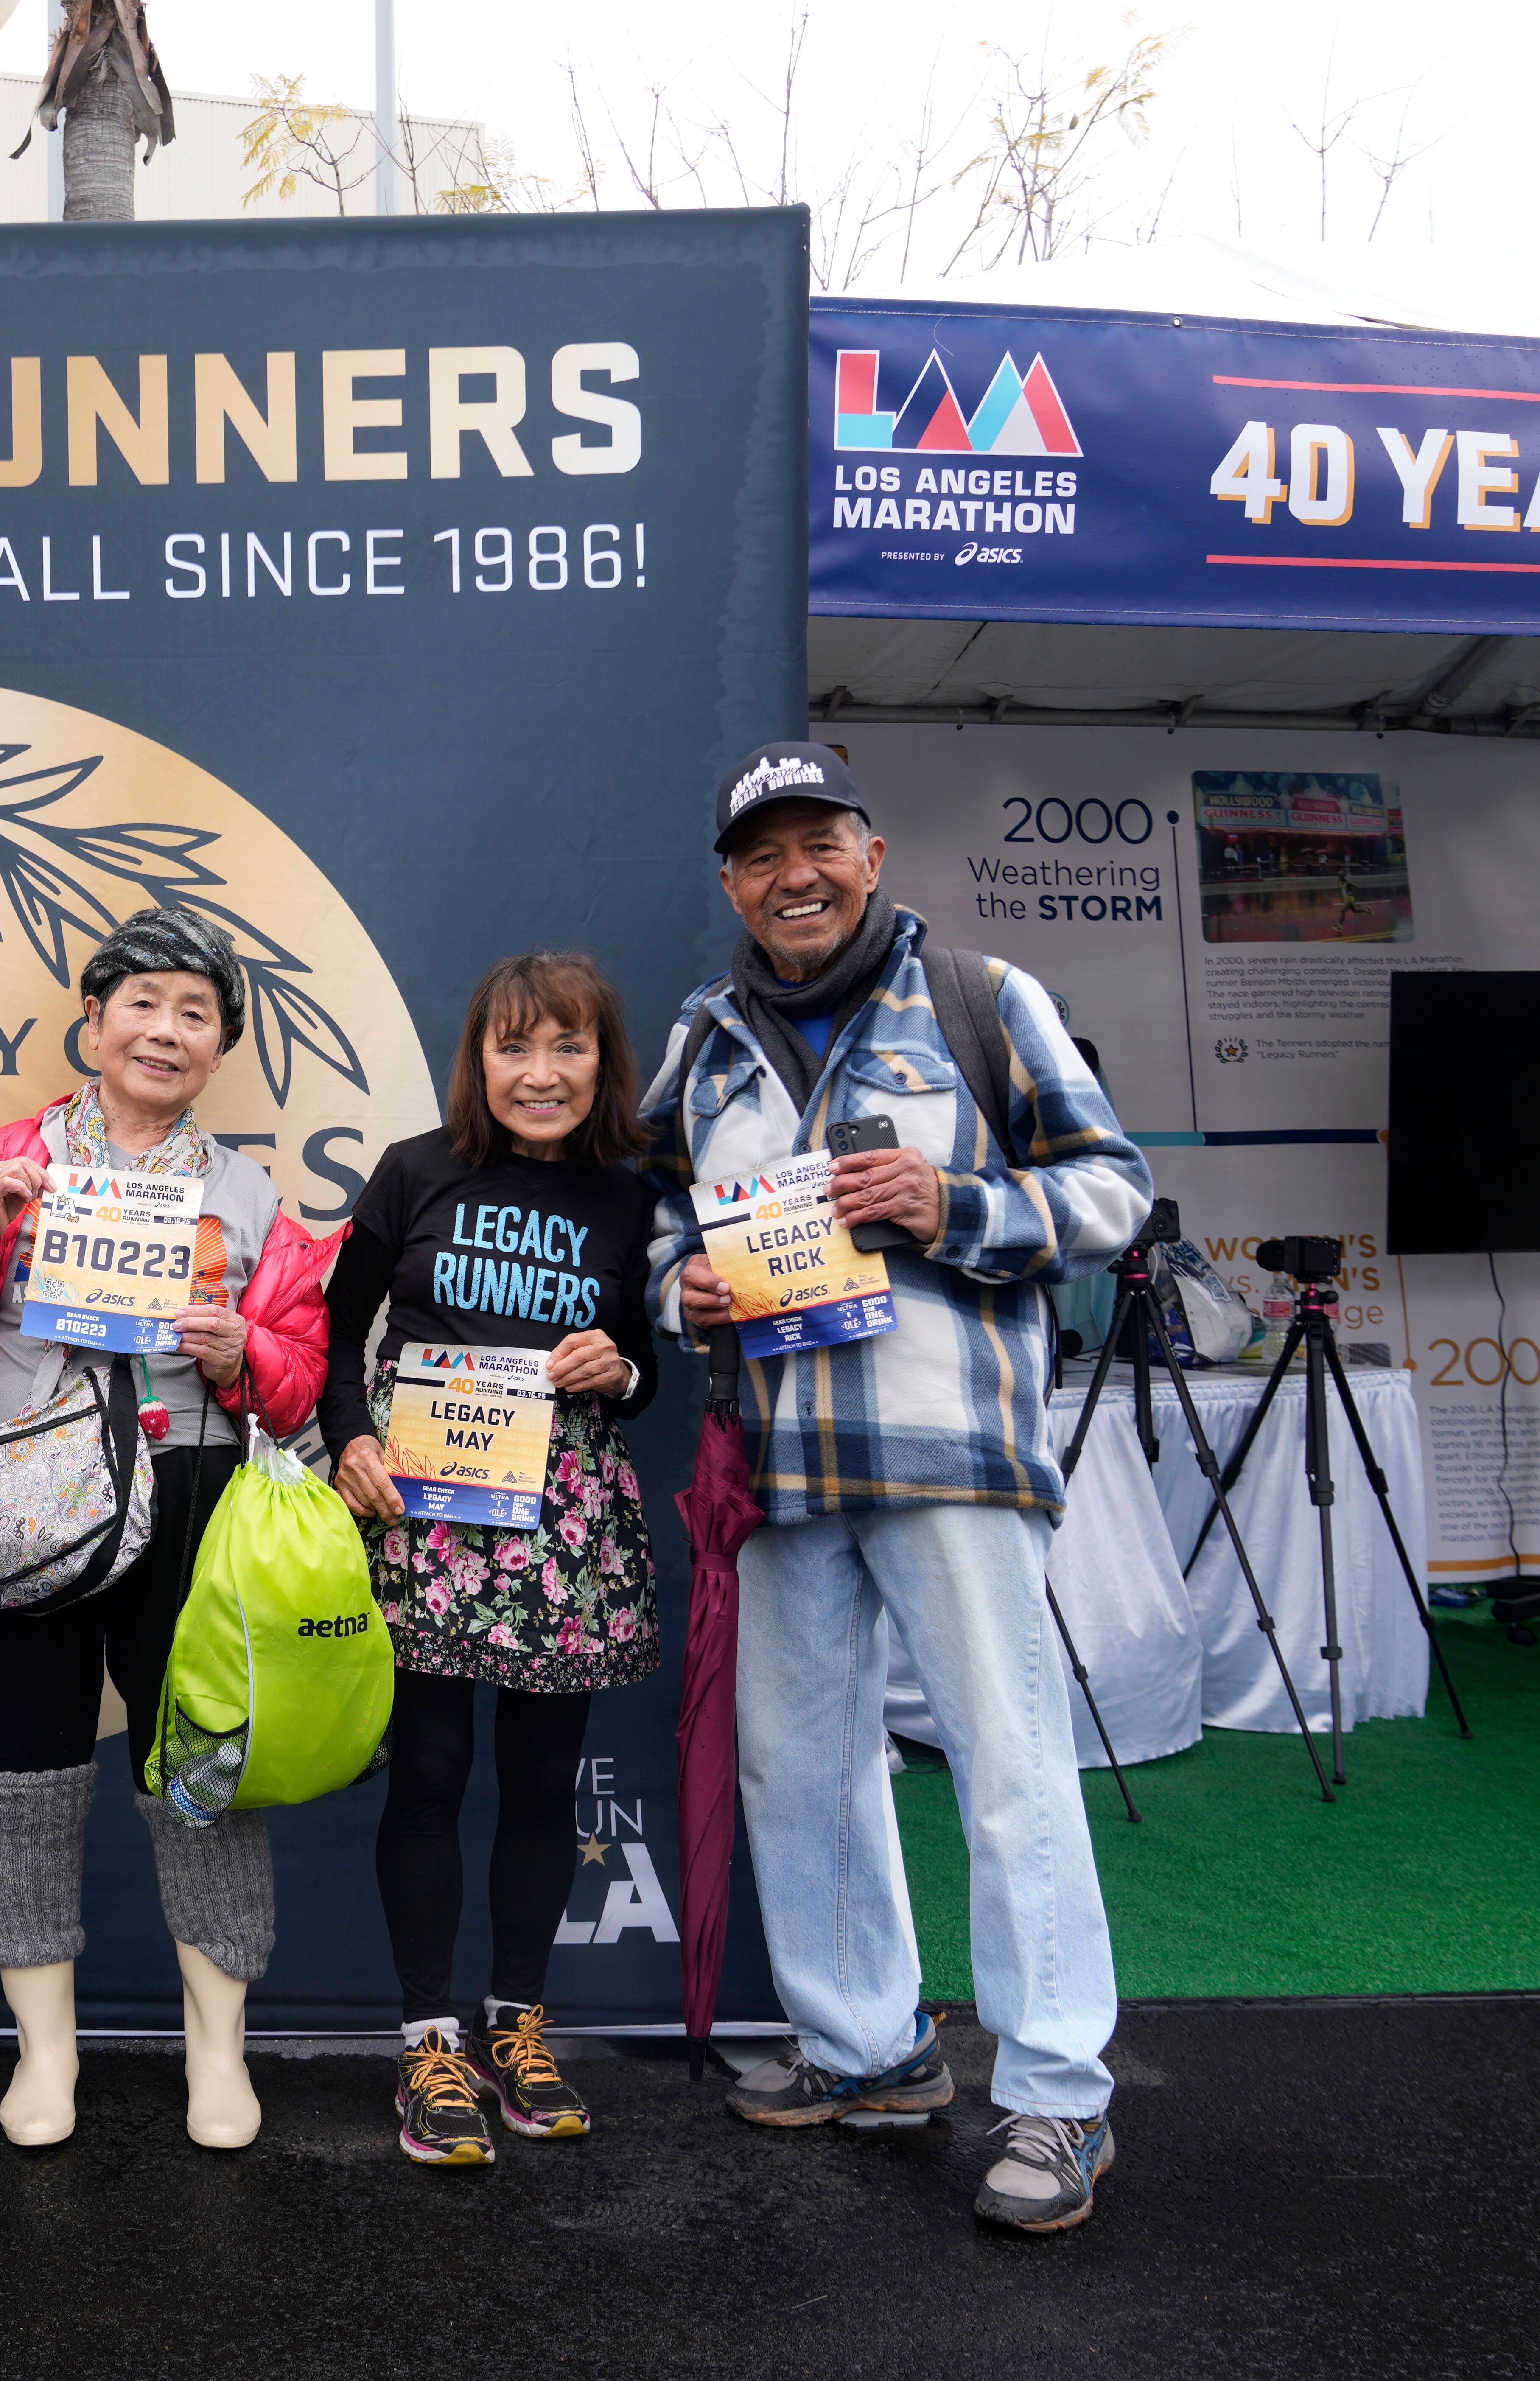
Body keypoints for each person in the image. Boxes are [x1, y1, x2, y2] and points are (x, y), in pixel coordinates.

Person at [645, 742, 1153, 2235]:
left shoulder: (988, 1000)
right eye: (761, 856)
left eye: (820, 846)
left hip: (953, 1461)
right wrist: (689, 1292)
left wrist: (960, 1205)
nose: (793, 876)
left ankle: (1059, 2098)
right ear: (731, 881)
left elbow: (1114, 1194)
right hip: (784, 1470)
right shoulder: (707, 1036)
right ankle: (872, 2053)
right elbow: (665, 1215)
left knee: (1009, 1776)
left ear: (870, 855)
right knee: (802, 1778)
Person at [0, 909, 335, 2153]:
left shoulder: (248, 1194)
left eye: (196, 1014)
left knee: (201, 1766)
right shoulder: (8, 1161)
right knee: (24, 1772)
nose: (165, 1031)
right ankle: (45, 2057)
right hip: (27, 1494)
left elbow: (302, 1380)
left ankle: (219, 2054)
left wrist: (249, 1352)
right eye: (143, 1004)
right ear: (94, 1021)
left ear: (220, 1046)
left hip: (191, 1500)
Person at [324, 950, 663, 2168]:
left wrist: (619, 1369)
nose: (540, 1072)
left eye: (568, 1047)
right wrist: (350, 1438)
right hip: (423, 1518)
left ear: (601, 1065)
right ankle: (428, 2043)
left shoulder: (629, 1202)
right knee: (428, 1772)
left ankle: (519, 2025)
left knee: (539, 1786)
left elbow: (644, 1370)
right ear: (479, 1059)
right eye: (515, 1046)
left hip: (560, 1530)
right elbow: (331, 1326)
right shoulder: (416, 1170)